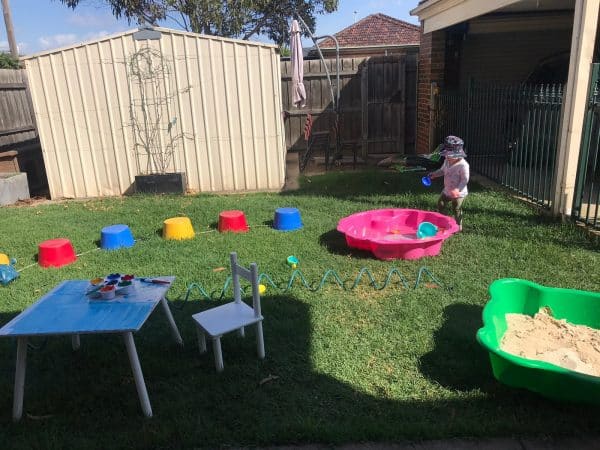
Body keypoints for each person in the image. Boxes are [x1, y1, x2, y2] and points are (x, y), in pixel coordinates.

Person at [427, 136, 470, 230]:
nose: (447, 157)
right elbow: (442, 171)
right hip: (447, 190)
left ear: (458, 155)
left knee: (456, 208)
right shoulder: (447, 161)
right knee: (441, 203)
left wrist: (457, 190)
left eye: (449, 155)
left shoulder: (463, 165)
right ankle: (443, 220)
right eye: (446, 155)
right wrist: (435, 174)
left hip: (459, 193)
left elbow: (464, 180)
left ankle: (459, 226)